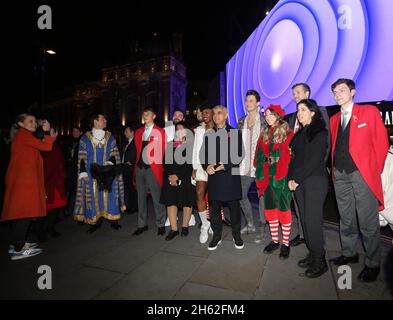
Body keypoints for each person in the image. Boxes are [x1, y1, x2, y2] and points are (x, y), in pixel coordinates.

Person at [329, 79, 389, 282]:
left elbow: (381, 144)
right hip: (340, 175)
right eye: (335, 92)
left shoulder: (369, 112)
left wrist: (372, 170)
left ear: (353, 92)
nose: (338, 94)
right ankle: (349, 253)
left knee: (368, 221)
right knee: (346, 218)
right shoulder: (334, 118)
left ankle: (373, 263)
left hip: (361, 174)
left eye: (342, 90)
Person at [2, 114, 56, 260]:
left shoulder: (24, 136)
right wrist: (47, 133)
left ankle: (18, 243)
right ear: (20, 123)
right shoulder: (23, 135)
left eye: (34, 121)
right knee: (23, 213)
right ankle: (19, 248)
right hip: (23, 182)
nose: (33, 123)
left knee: (24, 213)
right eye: (29, 121)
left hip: (24, 181)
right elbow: (46, 146)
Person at [288, 99, 329, 278]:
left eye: (303, 109)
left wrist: (296, 178)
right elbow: (294, 159)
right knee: (304, 220)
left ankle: (320, 260)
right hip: (299, 182)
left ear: (313, 112)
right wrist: (291, 178)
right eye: (298, 110)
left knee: (312, 222)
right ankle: (312, 254)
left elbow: (315, 160)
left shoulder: (320, 132)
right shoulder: (299, 134)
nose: (299, 113)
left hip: (315, 181)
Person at [201, 105, 244, 251]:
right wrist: (206, 166)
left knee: (234, 209)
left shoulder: (234, 132)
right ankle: (216, 236)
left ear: (226, 115)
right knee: (215, 210)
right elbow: (204, 155)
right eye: (214, 113)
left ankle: (236, 235)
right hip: (215, 179)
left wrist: (223, 165)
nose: (216, 116)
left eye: (219, 113)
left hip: (230, 175)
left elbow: (238, 154)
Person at [73, 113, 125, 232]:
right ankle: (95, 221)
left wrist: (110, 163)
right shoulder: (85, 139)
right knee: (93, 195)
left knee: (110, 195)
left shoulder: (110, 137)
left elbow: (114, 152)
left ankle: (113, 220)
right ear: (96, 122)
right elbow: (81, 157)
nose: (105, 120)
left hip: (107, 172)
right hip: (91, 174)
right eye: (103, 119)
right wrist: (83, 173)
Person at [254, 105, 294, 259]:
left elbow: (287, 157)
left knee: (283, 209)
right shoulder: (264, 133)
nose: (268, 117)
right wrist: (259, 174)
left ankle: (285, 243)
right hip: (267, 176)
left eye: (271, 114)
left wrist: (280, 176)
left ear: (278, 115)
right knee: (270, 209)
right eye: (266, 114)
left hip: (281, 177)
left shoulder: (287, 133)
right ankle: (275, 240)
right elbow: (258, 156)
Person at [237, 89, 267, 241]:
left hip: (261, 165)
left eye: (251, 101)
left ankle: (262, 226)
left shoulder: (265, 121)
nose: (248, 103)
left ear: (258, 103)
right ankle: (250, 223)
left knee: (262, 198)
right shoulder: (241, 121)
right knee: (241, 195)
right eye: (246, 101)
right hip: (244, 165)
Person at [133, 107, 167, 236]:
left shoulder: (160, 132)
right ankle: (142, 225)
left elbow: (162, 151)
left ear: (154, 116)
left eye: (148, 114)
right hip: (140, 168)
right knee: (140, 198)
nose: (145, 115)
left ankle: (161, 224)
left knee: (157, 198)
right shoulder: (138, 132)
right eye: (144, 113)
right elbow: (138, 149)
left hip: (153, 169)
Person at [160, 121, 196, 240]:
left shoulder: (192, 145)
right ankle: (174, 229)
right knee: (171, 202)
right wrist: (171, 175)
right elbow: (166, 162)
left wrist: (178, 176)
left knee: (187, 202)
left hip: (185, 177)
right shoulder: (170, 145)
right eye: (177, 129)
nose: (179, 131)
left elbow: (191, 164)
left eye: (181, 129)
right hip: (170, 178)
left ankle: (185, 226)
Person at [37, 119, 67, 239]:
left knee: (55, 207)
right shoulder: (39, 143)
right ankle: (40, 231)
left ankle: (50, 228)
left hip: (57, 181)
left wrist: (63, 173)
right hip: (45, 181)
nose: (53, 132)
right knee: (42, 209)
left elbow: (60, 161)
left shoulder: (55, 146)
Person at [65, 126, 82, 216]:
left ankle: (78, 212)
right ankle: (68, 210)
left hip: (79, 171)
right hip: (69, 171)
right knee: (69, 192)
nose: (75, 133)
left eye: (77, 131)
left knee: (78, 192)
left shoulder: (82, 143)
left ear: (80, 132)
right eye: (74, 131)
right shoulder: (68, 142)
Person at [121, 126, 138, 214]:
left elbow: (138, 154)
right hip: (126, 169)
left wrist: (132, 162)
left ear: (132, 132)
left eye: (126, 131)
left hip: (131, 170)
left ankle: (133, 207)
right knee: (128, 189)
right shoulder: (126, 143)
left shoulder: (135, 143)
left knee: (132, 190)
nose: (125, 133)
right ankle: (129, 206)